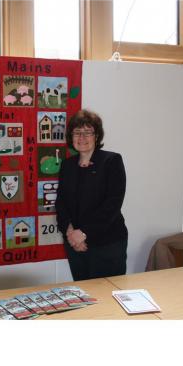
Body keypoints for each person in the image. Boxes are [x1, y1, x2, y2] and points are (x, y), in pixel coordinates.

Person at [56, 109, 128, 280]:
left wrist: (84, 233)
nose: (82, 137)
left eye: (88, 132)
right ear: (70, 136)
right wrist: (70, 232)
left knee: (107, 298)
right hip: (75, 244)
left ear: (96, 136)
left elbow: (112, 204)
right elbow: (61, 203)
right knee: (83, 297)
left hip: (106, 244)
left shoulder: (111, 161)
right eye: (77, 132)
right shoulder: (67, 165)